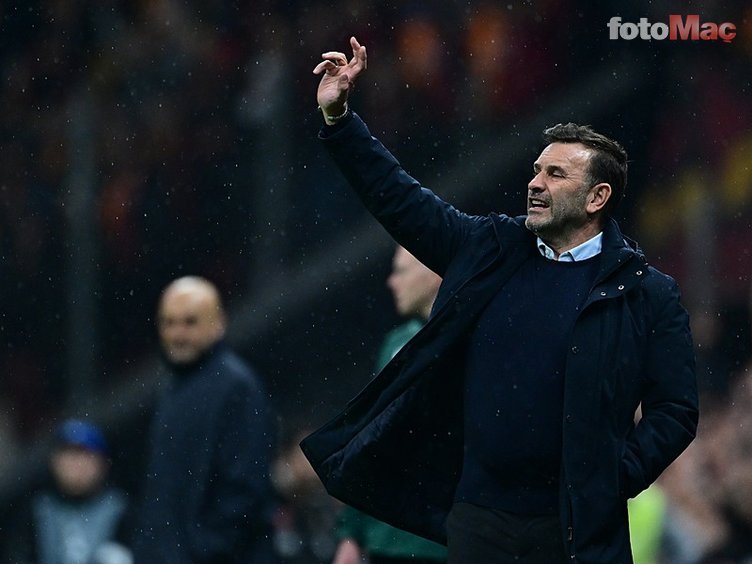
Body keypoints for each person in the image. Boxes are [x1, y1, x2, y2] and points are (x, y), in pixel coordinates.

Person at [300, 37, 698, 563]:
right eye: (536, 170)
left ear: (597, 197)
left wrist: (614, 478)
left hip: (577, 528)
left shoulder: (647, 294)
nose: (535, 183)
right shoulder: (489, 248)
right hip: (480, 518)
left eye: (555, 174)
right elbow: (398, 198)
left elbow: (676, 410)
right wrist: (340, 119)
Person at [131, 276, 276, 563]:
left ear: (218, 323)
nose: (178, 334)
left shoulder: (238, 388)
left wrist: (204, 550)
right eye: (169, 322)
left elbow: (246, 489)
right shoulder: (172, 387)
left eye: (190, 322)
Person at [333, 245, 446, 564]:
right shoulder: (395, 344)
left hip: (441, 541)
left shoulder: (473, 338)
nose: (391, 282)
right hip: (386, 538)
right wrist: (352, 532)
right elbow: (370, 437)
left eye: (400, 271)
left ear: (433, 274)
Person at [3, 418, 132, 564]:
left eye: (84, 455)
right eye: (69, 456)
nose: (75, 466)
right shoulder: (35, 511)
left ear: (102, 463)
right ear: (54, 461)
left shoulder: (122, 510)